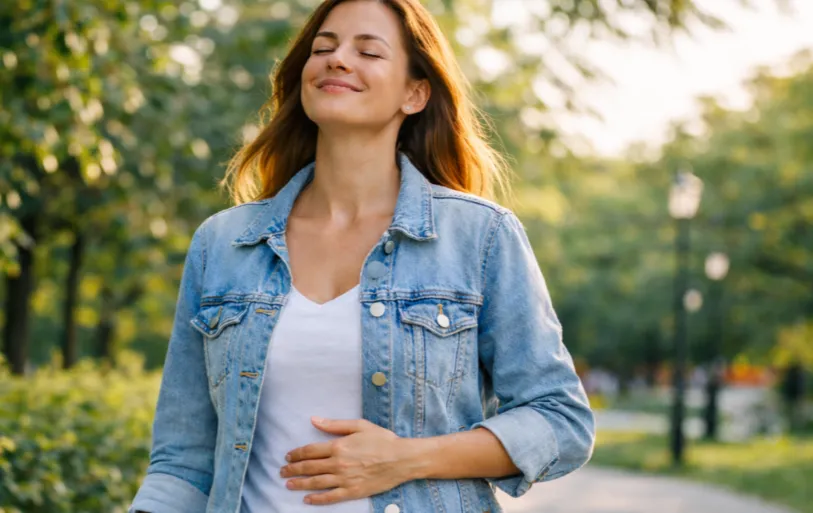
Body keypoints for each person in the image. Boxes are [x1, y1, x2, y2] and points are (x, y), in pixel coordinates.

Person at [129, 0, 595, 512]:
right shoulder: (222, 244)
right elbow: (182, 461)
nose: (337, 59)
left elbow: (560, 419)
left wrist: (407, 459)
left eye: (367, 51)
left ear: (415, 93)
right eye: (323, 48)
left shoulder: (480, 237)